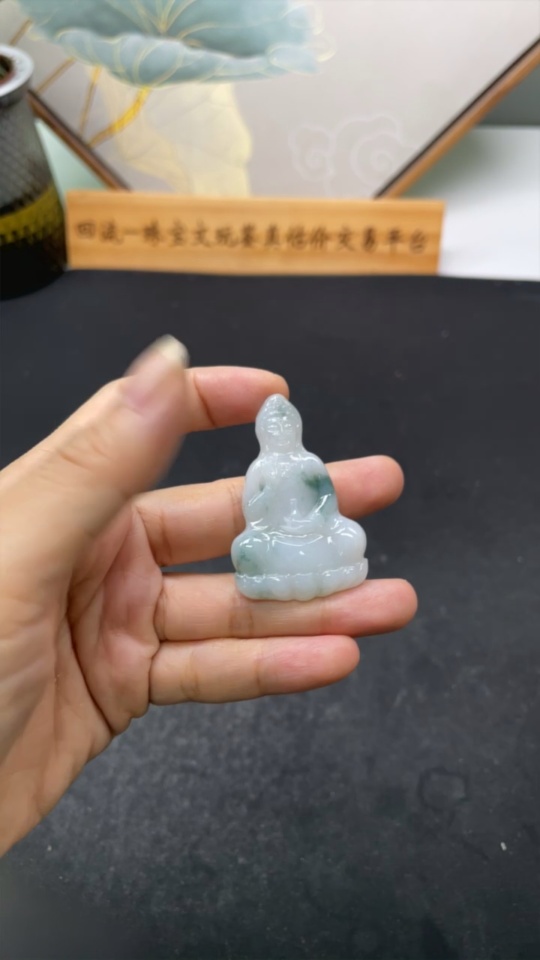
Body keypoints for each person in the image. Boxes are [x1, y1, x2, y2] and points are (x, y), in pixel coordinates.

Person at [0, 336, 417, 854]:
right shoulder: (260, 470)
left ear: (296, 428)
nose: (280, 432)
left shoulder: (310, 464)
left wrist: (312, 524)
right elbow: (257, 517)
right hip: (278, 543)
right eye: (272, 427)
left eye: (286, 426)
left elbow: (326, 510)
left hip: (313, 538)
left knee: (349, 535)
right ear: (263, 433)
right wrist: (276, 530)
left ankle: (296, 568)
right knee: (247, 547)